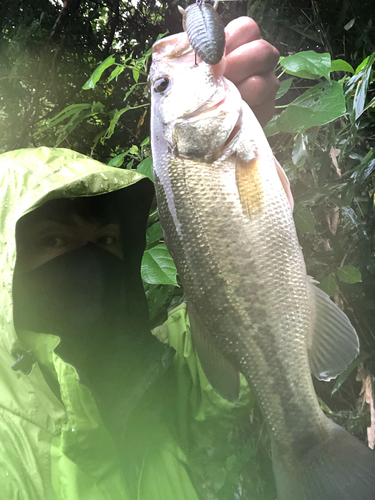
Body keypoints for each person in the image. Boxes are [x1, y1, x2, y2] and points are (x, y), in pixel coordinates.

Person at [0, 17, 280, 500]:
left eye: (107, 240)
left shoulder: (151, 371)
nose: (89, 261)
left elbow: (230, 336)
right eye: (54, 241)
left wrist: (249, 175)